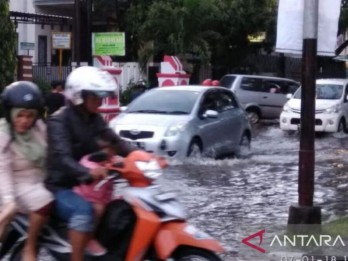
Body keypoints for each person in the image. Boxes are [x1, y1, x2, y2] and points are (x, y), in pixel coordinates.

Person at [44, 66, 136, 261]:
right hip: (61, 186)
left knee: (122, 209)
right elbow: (62, 158)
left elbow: (115, 142)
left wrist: (142, 156)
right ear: (79, 96)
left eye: (101, 96)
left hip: (88, 185)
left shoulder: (94, 119)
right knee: (83, 210)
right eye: (95, 96)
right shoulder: (58, 121)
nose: (100, 102)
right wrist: (86, 171)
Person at [0, 81, 54, 261]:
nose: (24, 121)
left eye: (29, 115)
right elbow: (3, 170)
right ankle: (30, 247)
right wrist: (9, 202)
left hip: (38, 180)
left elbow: (53, 151)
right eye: (19, 115)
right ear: (10, 114)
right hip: (15, 185)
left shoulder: (38, 128)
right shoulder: (4, 134)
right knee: (45, 199)